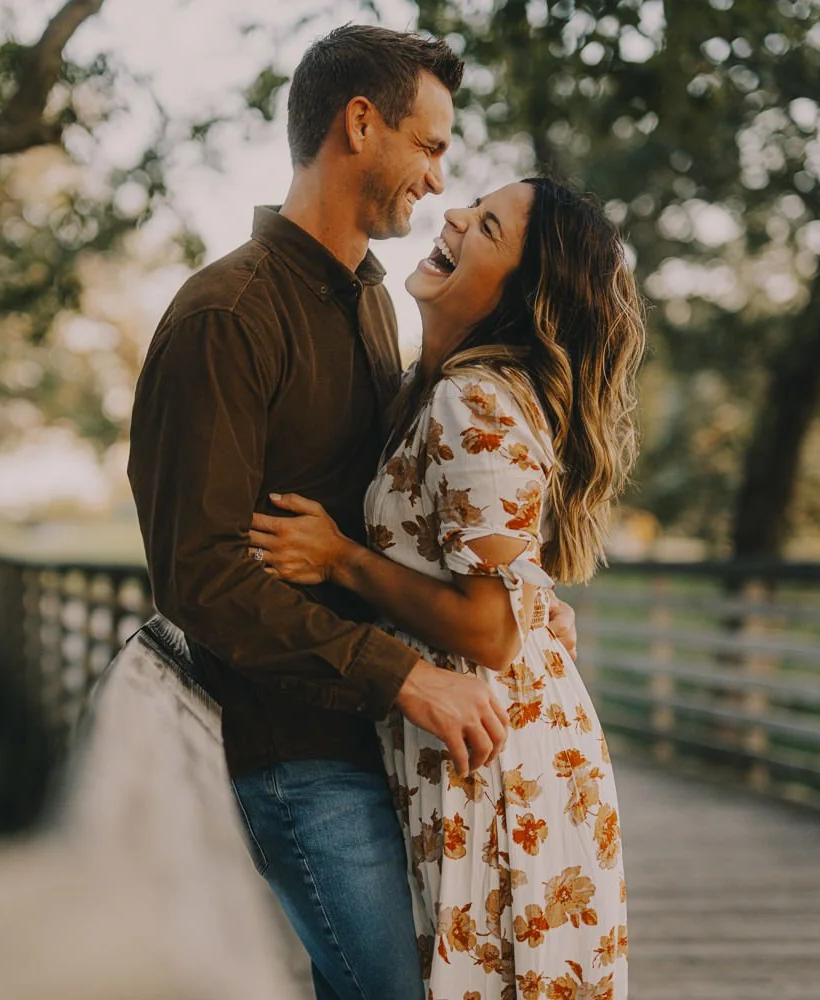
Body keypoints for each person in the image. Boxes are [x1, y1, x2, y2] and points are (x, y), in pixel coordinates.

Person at [129, 25, 551, 1000]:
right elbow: (202, 576)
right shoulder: (226, 315)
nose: (439, 182)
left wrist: (517, 591)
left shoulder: (370, 299)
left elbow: (388, 512)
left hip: (375, 744)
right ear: (361, 123)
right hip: (296, 757)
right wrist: (402, 673)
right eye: (432, 146)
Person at [249, 177, 647, 1000]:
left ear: (515, 295)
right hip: (471, 742)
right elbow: (491, 576)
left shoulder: (474, 402)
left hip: (494, 760)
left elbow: (490, 630)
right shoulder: (434, 390)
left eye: (488, 226)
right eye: (471, 203)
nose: (455, 216)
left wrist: (340, 560)